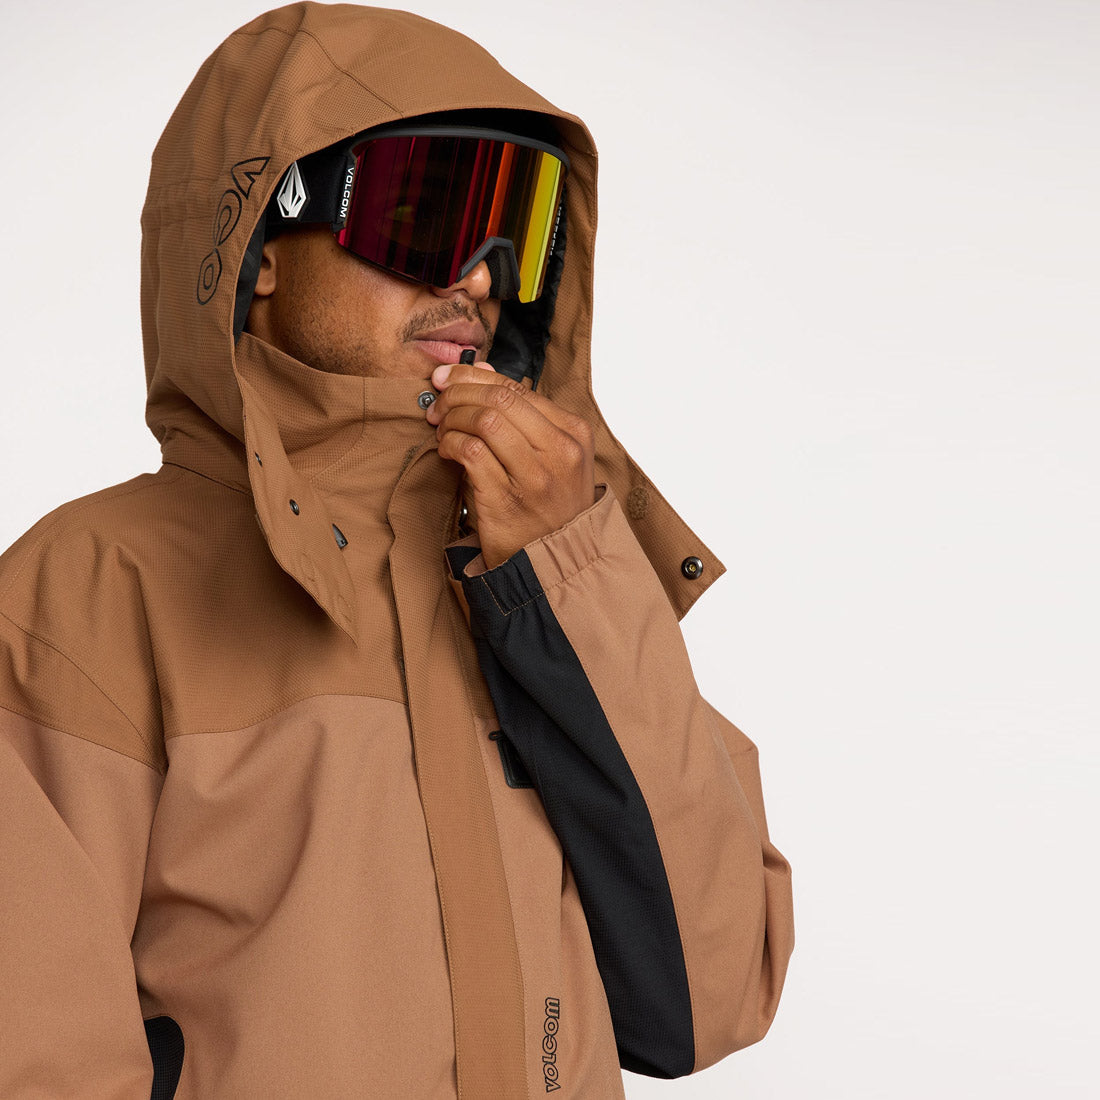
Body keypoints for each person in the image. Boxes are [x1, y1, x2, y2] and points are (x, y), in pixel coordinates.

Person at [0, 4, 793, 1097]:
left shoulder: (540, 575)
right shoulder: (90, 586)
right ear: (262, 244)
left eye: (515, 230)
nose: (477, 277)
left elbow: (710, 999)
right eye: (427, 217)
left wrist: (573, 572)